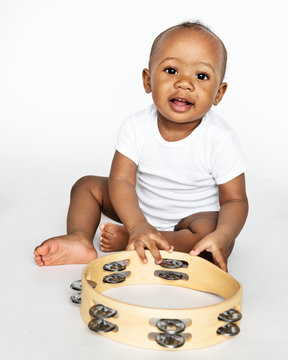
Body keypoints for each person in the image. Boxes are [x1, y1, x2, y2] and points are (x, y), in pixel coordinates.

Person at [34, 21, 248, 272]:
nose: (184, 83)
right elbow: (121, 180)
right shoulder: (136, 126)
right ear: (148, 80)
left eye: (201, 76)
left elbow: (235, 200)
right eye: (171, 70)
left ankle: (144, 241)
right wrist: (136, 223)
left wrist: (223, 235)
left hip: (190, 219)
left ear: (218, 94)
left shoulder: (220, 138)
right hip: (139, 208)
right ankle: (80, 239)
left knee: (212, 232)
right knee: (87, 186)